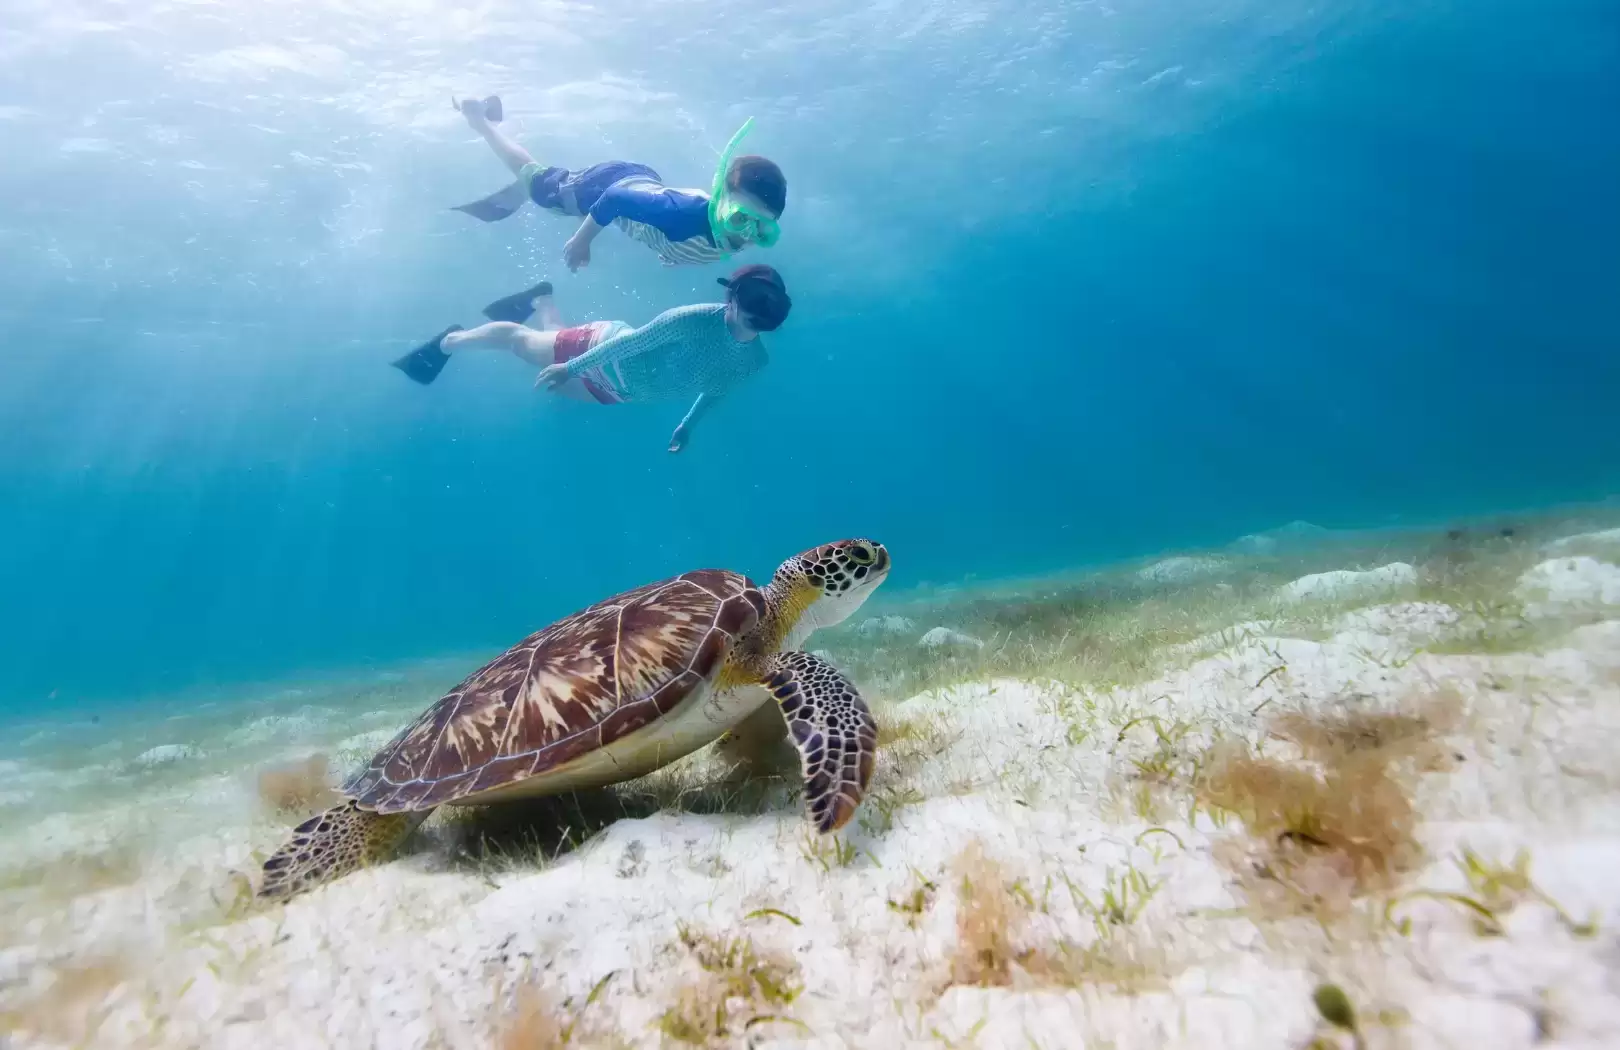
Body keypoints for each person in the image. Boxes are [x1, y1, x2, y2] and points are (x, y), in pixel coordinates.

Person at [390, 265, 793, 453]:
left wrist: (688, 425)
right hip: (600, 350)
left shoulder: (755, 363)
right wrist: (572, 366)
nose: (755, 317)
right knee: (521, 342)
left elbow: (715, 389)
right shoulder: (691, 319)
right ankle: (447, 342)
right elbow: (631, 344)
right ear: (733, 300)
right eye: (753, 307)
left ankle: (542, 298)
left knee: (549, 380)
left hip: (621, 393)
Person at [449, 95, 786, 271]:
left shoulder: (730, 235)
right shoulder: (682, 215)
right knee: (545, 193)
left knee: (570, 199)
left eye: (763, 230)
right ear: (721, 200)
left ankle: (548, 181)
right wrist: (582, 243)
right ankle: (479, 119)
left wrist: (674, 257)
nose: (747, 235)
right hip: (611, 186)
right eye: (741, 219)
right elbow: (614, 199)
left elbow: (706, 243)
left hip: (642, 185)